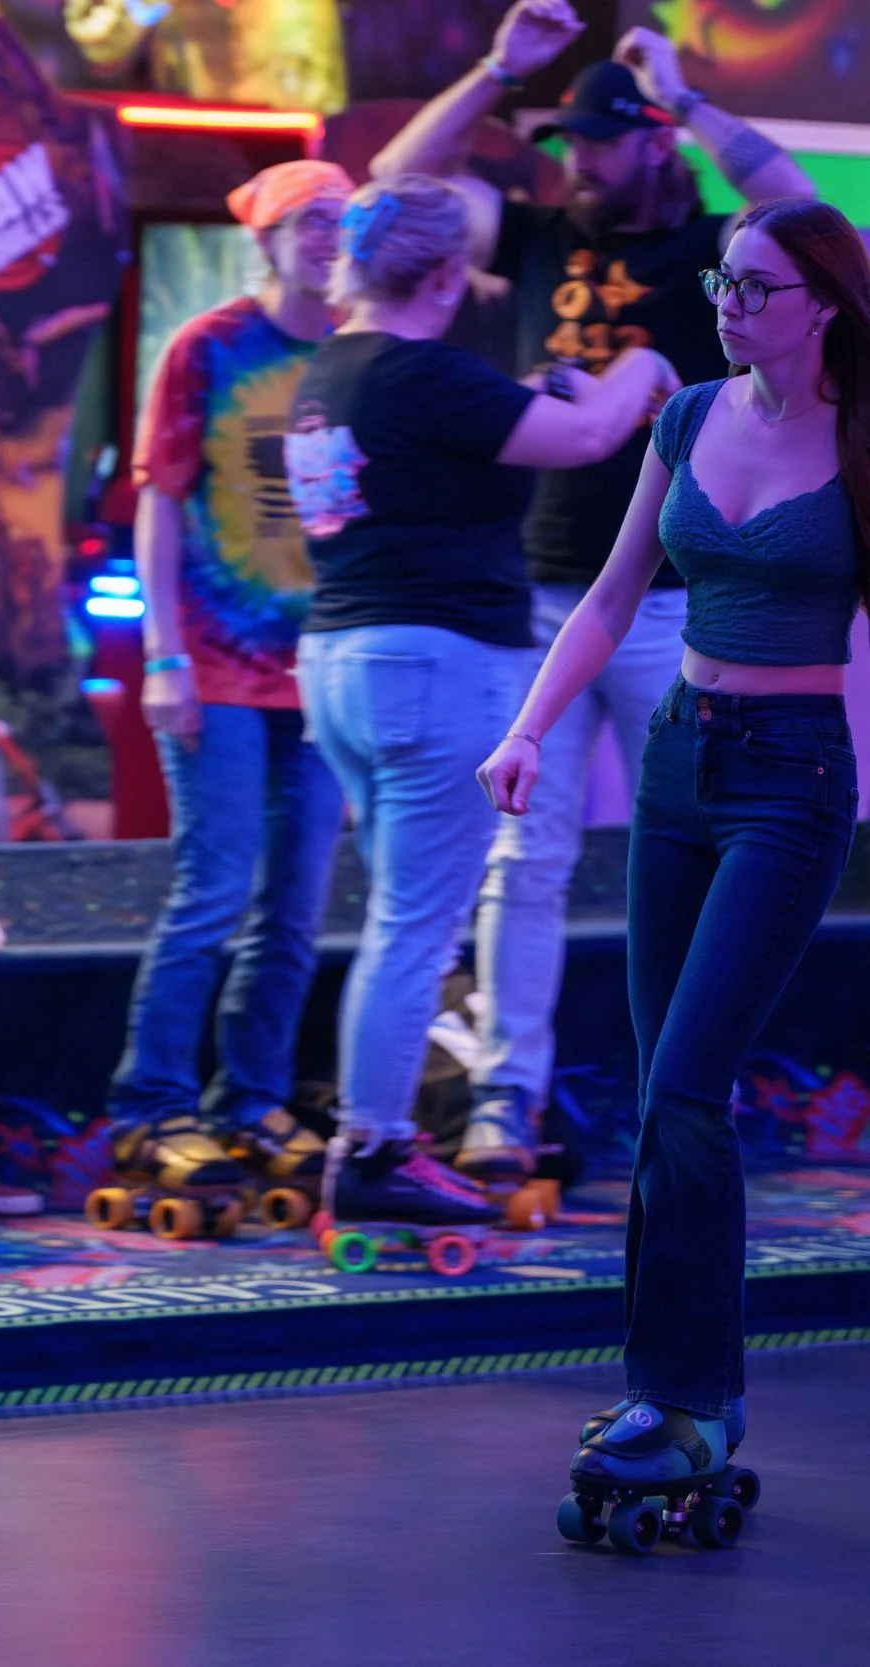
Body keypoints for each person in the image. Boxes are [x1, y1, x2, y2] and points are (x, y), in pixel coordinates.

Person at [373, 0, 817, 1185]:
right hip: (547, 586)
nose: (577, 163)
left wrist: (689, 96)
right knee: (526, 857)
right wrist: (492, 69)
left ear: (651, 140)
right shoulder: (528, 232)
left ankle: (683, 1087)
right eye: (566, 144)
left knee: (691, 850)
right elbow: (391, 183)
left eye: (600, 143)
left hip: (681, 597)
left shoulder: (706, 258)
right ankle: (504, 1101)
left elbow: (807, 209)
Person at [480, 198, 867, 1499]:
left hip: (791, 782)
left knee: (692, 1084)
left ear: (823, 304)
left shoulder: (861, 436)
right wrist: (529, 728)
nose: (729, 305)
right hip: (677, 758)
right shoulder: (690, 417)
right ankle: (680, 1383)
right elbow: (608, 595)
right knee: (661, 1094)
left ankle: (684, 1397)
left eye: (757, 288)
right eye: (724, 282)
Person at [280, 175, 677, 1233]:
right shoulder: (425, 372)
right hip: (429, 664)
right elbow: (590, 438)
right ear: (446, 275)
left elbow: (479, 447)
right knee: (415, 927)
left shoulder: (336, 367)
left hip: (346, 658)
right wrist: (638, 362)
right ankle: (371, 1149)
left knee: (400, 921)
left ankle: (373, 1141)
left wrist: (547, 394)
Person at [103, 160, 351, 1228]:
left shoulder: (355, 354)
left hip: (325, 670)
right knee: (212, 889)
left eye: (340, 220)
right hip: (213, 661)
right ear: (265, 239)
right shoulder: (207, 346)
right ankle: (151, 1102)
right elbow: (159, 504)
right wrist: (162, 654)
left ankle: (248, 1097)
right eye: (305, 222)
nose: (324, 238)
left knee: (293, 905)